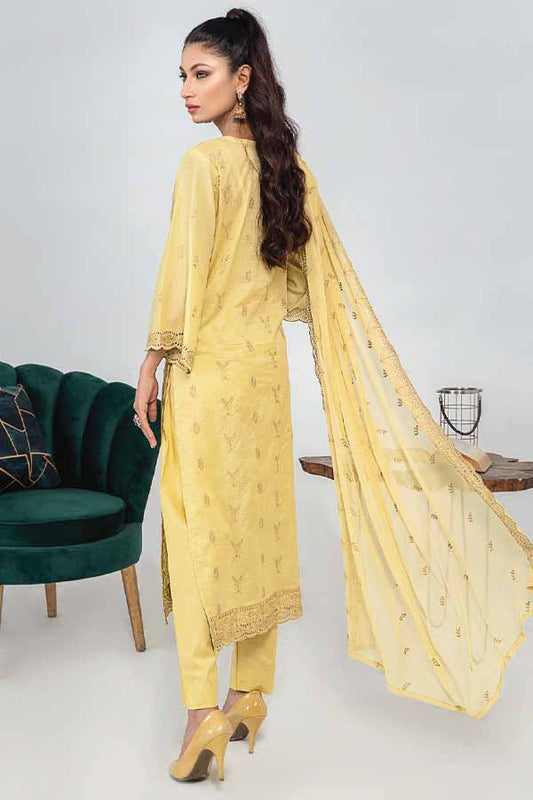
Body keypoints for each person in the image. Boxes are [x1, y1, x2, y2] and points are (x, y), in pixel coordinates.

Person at [135, 7, 533, 783]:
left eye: (200, 74)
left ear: (241, 79)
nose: (185, 90)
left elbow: (181, 275)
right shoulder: (287, 170)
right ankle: (248, 695)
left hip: (209, 378)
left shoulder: (202, 166)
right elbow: (298, 286)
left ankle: (200, 712)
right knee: (258, 533)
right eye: (181, 76)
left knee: (197, 535)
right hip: (263, 380)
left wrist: (151, 362)